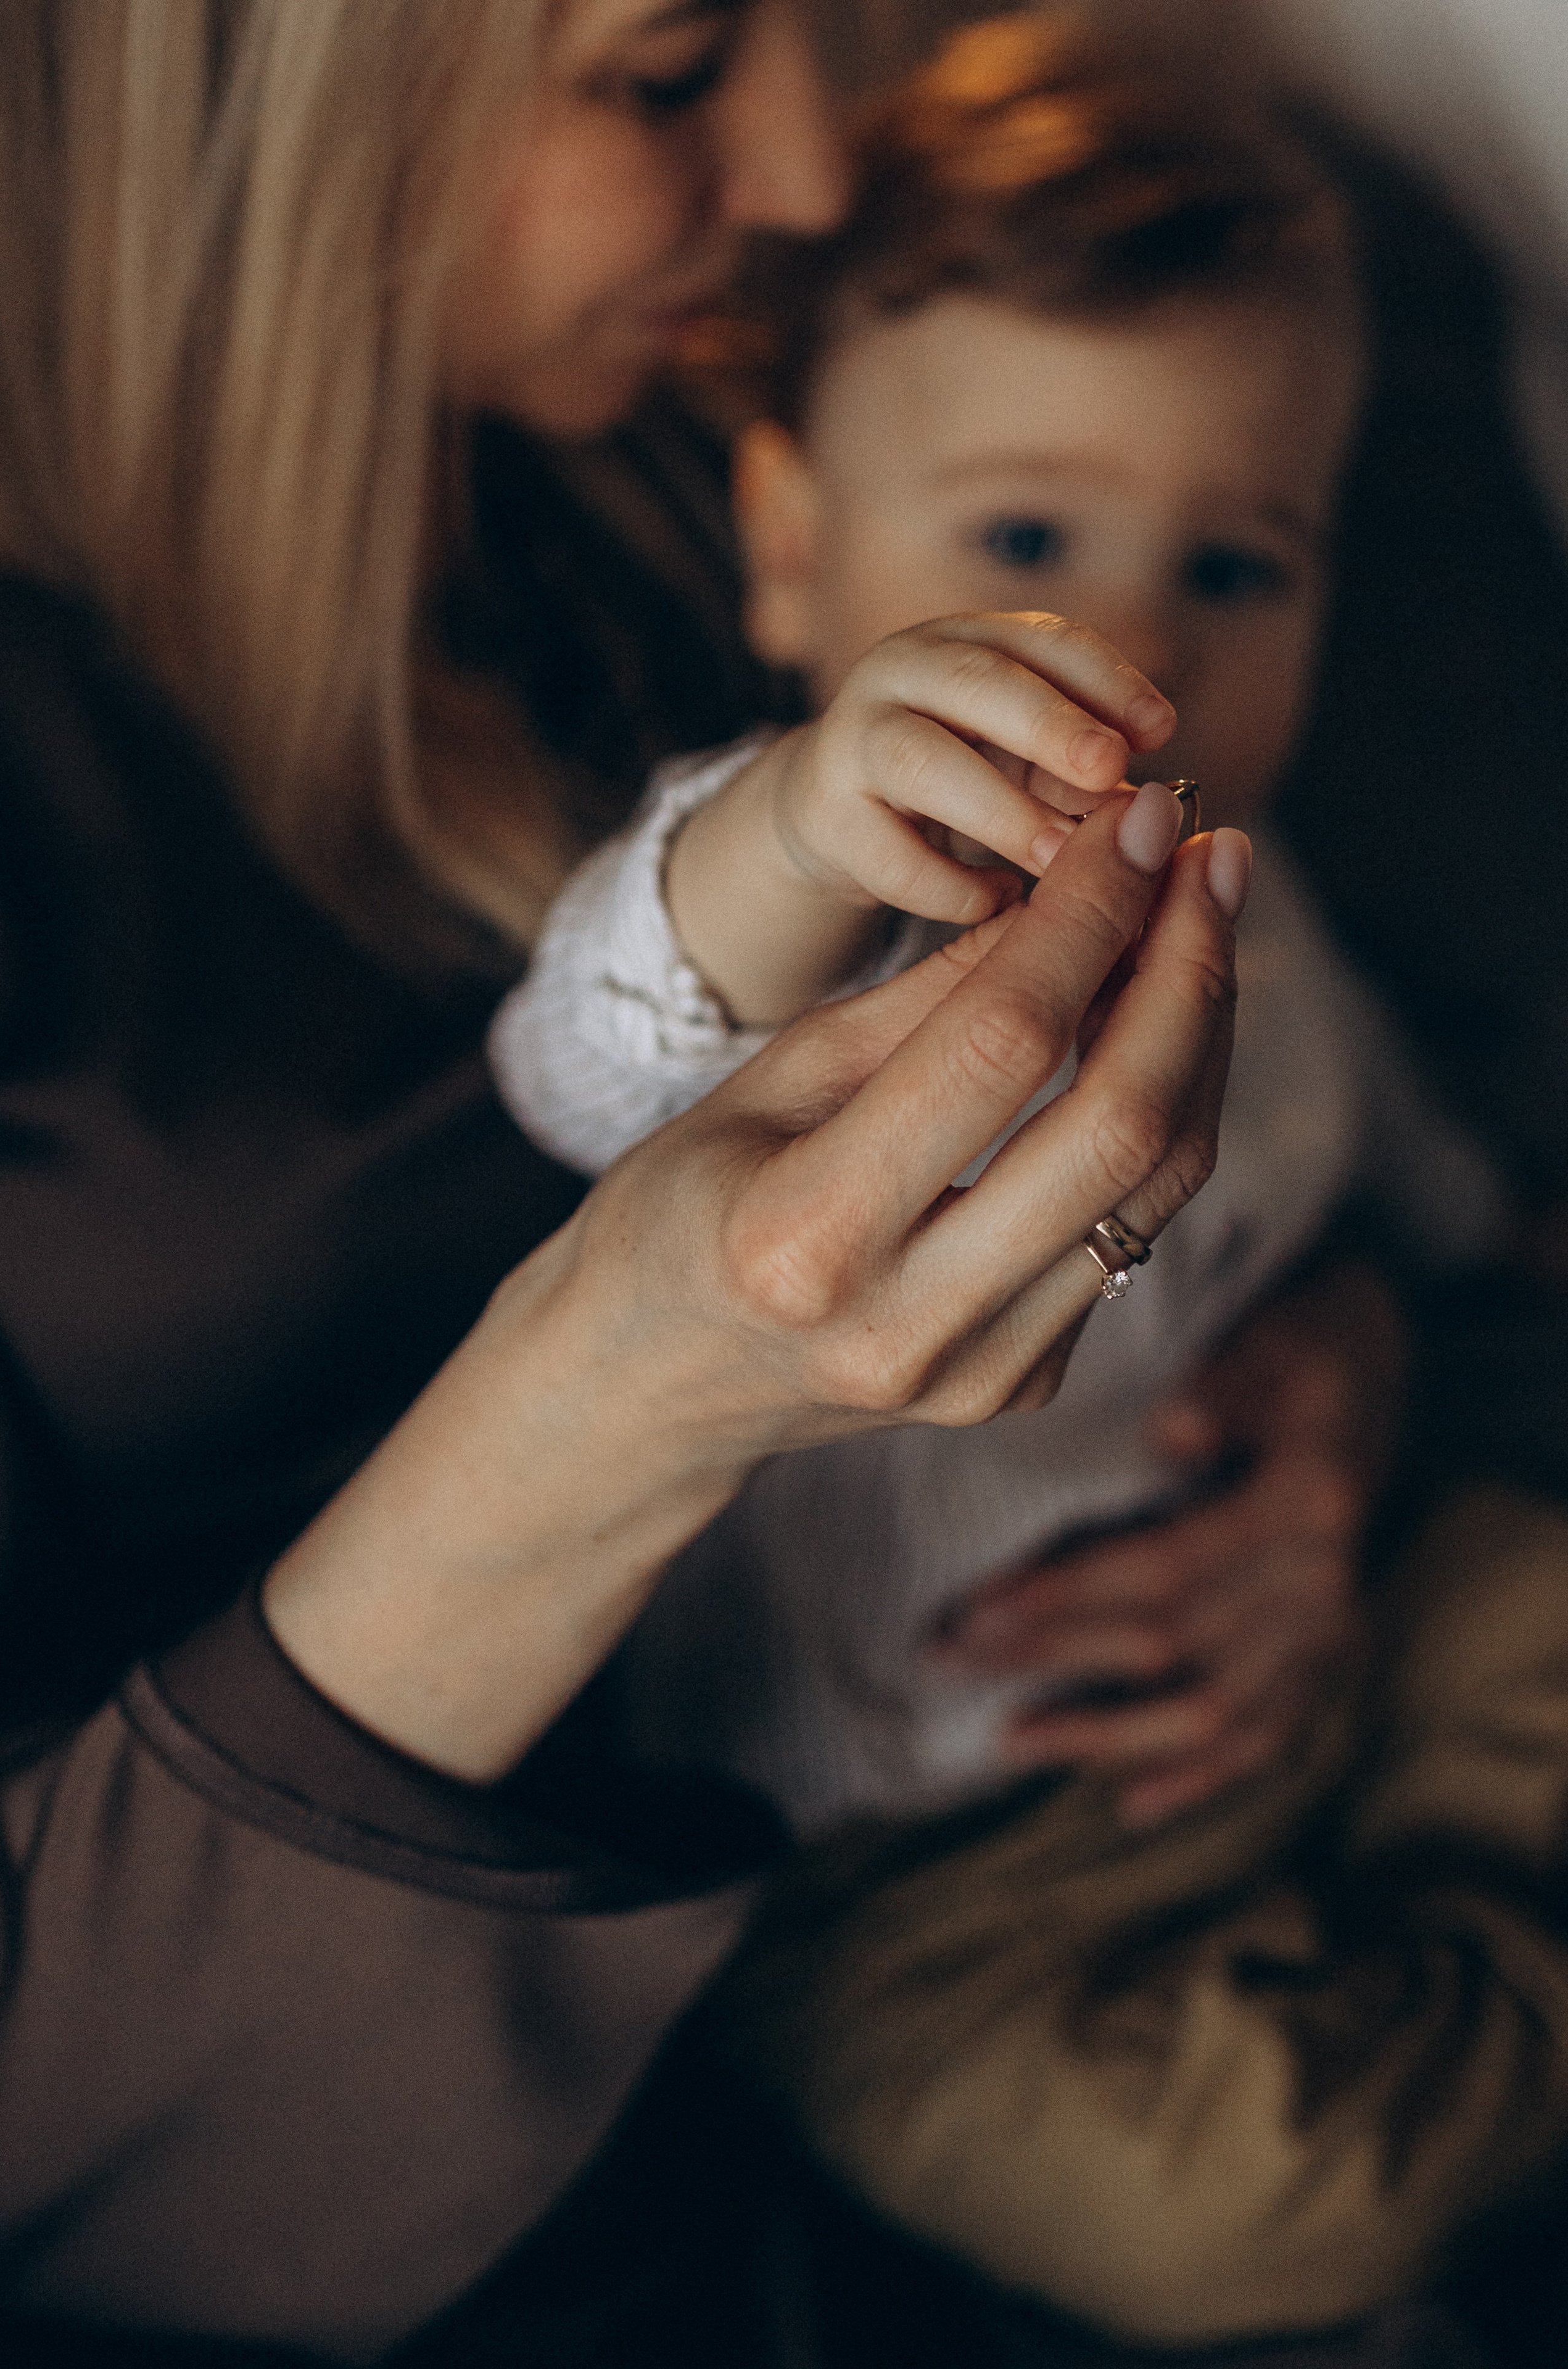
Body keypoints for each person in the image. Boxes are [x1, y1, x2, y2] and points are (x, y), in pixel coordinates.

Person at [0, 2, 1248, 2359]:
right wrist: (616, 1407)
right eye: (666, 68)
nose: (803, 175)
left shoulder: (703, 447)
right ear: (240, 96)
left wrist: (1309, 1386)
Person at [487, 12, 1568, 2346]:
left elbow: (1421, 1189)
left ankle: (1434, 1925)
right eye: (1019, 541)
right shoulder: (802, 906)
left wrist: (1383, 1320)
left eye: (1239, 564)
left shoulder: (1286, 942)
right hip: (906, 1872)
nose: (1140, 645)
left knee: (1538, 1606)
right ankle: (1458, 2006)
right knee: (1241, 2209)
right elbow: (578, 1061)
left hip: (1325, 1648)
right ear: (792, 553)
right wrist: (787, 813)